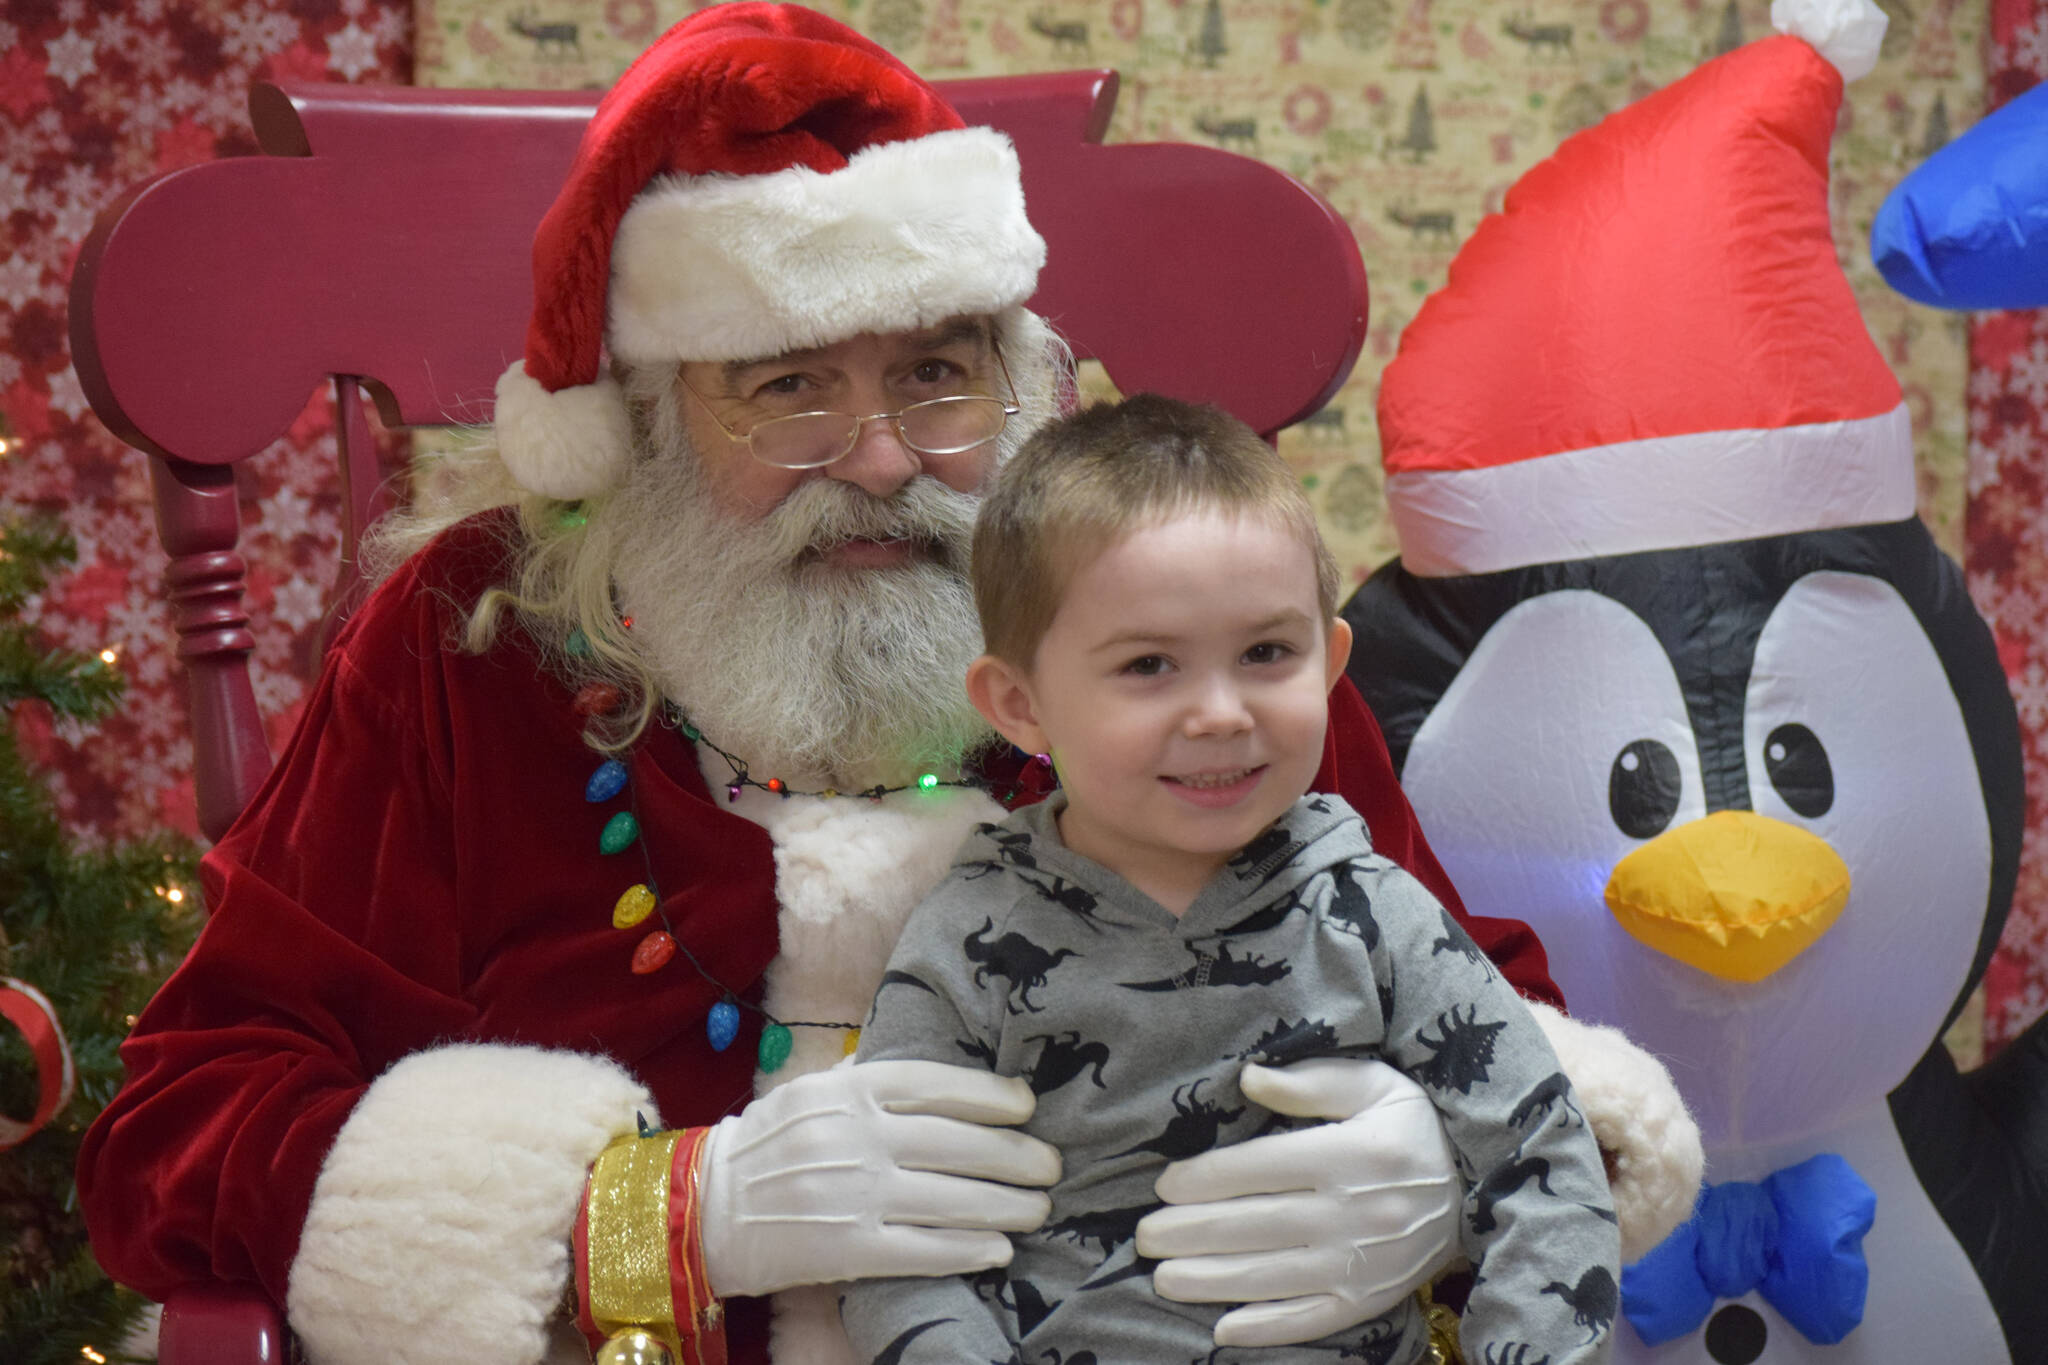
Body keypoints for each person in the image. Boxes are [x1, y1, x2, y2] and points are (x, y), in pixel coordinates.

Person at [75, 7, 1696, 1365]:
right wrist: (661, 1216)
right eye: (785, 389)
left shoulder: (1150, 608)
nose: (876, 461)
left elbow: (1465, 990)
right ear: (637, 427)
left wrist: (1435, 1166)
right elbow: (187, 1127)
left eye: (936, 374)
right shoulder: (469, 639)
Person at [840, 395, 1620, 1365]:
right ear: (1018, 702)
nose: (1219, 713)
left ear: (1329, 664)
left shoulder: (1373, 916)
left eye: (1264, 653)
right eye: (1148, 665)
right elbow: (896, 1244)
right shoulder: (966, 940)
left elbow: (1545, 1162)